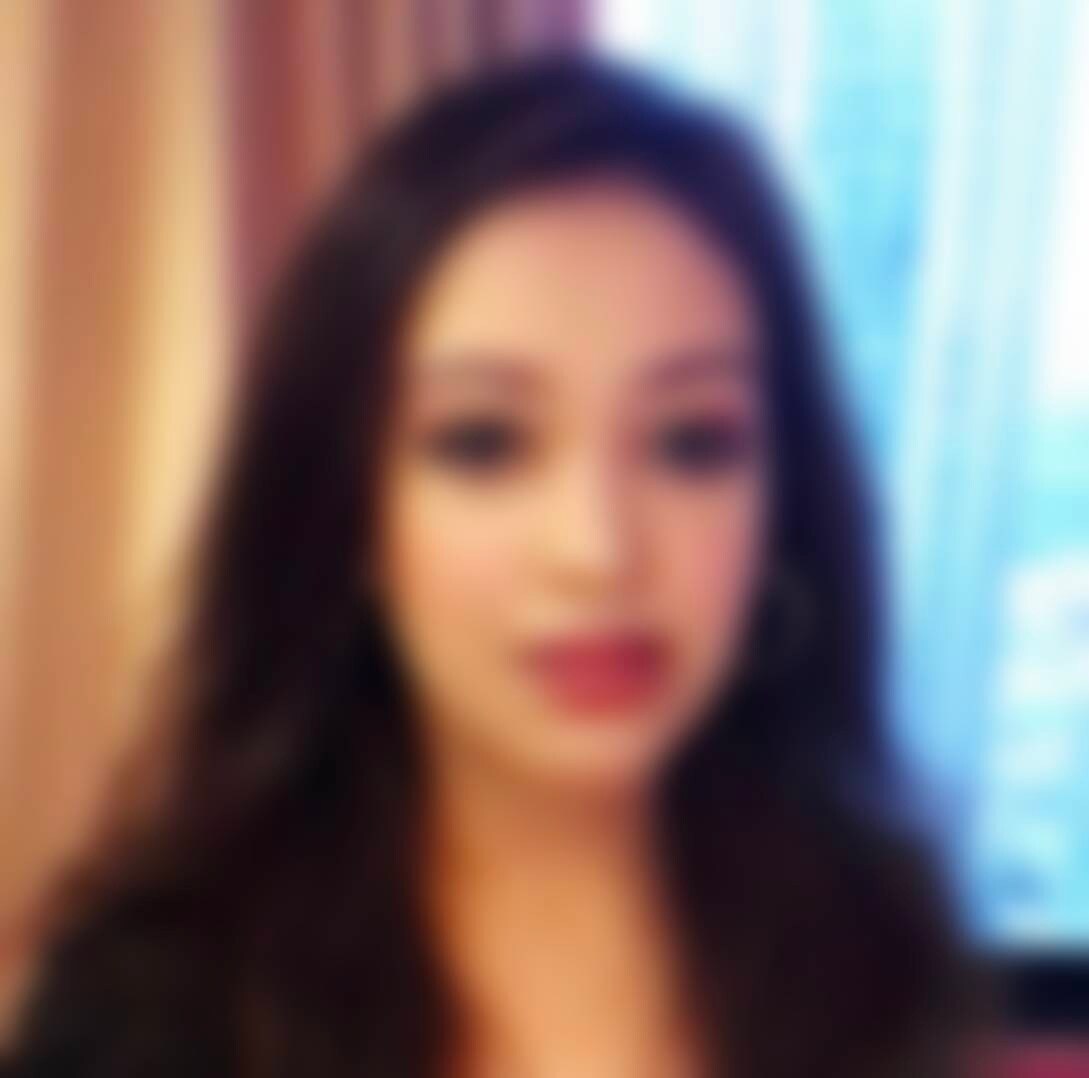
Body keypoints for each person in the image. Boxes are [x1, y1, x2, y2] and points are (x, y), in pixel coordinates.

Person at [1, 53, 977, 1078]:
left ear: (780, 503)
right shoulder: (154, 1012)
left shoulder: (873, 950)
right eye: (483, 443)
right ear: (347, 512)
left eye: (691, 442)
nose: (598, 551)